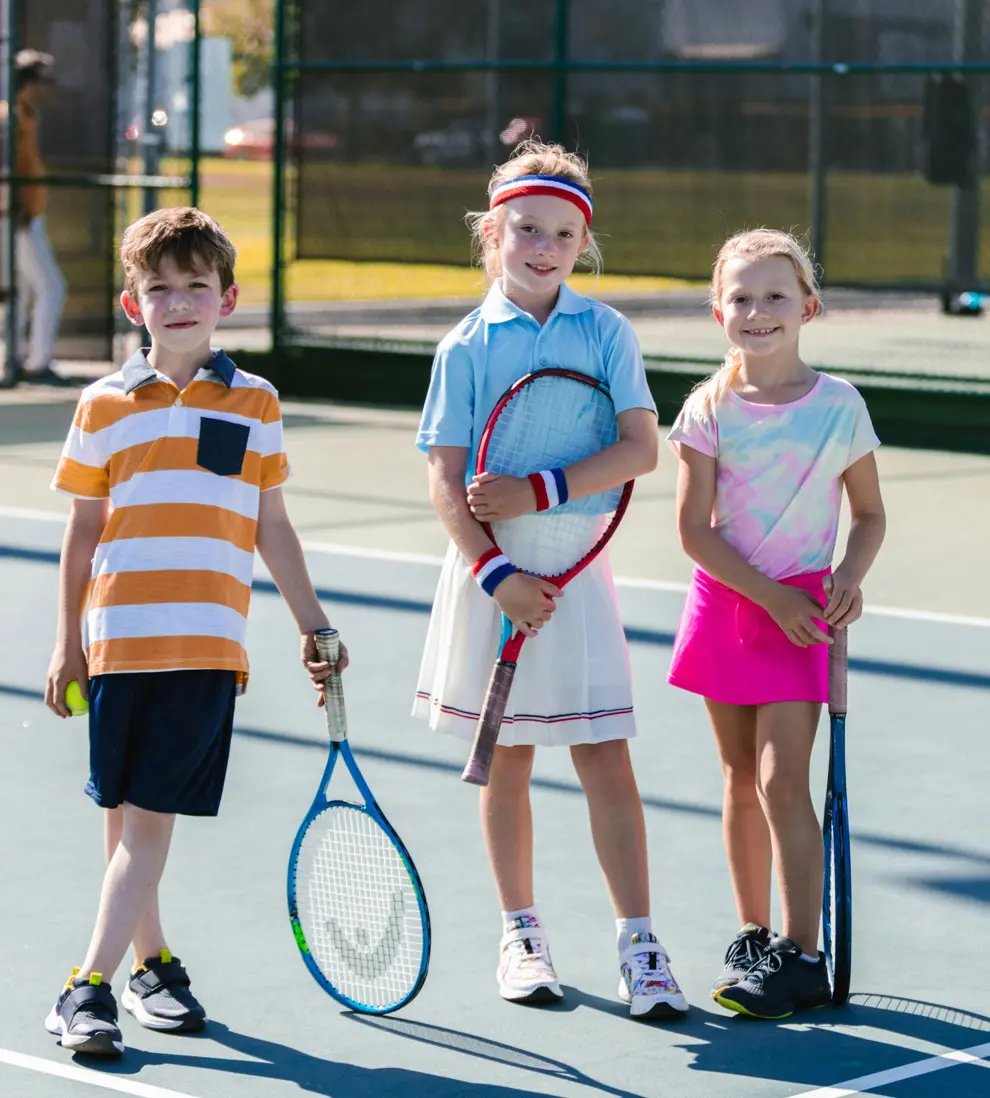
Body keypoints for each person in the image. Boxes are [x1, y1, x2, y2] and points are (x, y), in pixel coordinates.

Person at [43, 206, 345, 1057]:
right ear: (133, 305)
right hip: (116, 642)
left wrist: (314, 623)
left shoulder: (257, 402)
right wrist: (67, 642)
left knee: (146, 823)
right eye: (160, 288)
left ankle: (87, 986)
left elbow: (271, 524)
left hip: (206, 646)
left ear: (228, 299)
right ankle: (149, 968)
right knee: (125, 815)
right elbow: (82, 531)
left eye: (196, 286)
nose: (178, 302)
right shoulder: (101, 405)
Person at [412, 140, 687, 1020]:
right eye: (527, 229)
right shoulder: (464, 347)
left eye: (564, 234)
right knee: (508, 761)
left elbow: (641, 448)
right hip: (492, 579)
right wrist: (496, 574)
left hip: (576, 575)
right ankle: (521, 935)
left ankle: (639, 944)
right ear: (492, 233)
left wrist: (540, 490)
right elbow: (445, 480)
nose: (544, 247)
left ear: (583, 244)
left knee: (605, 754)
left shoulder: (605, 332)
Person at [666, 228, 886, 1019]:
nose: (757, 311)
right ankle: (754, 933)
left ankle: (802, 956)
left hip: (800, 617)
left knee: (779, 780)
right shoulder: (707, 408)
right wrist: (769, 597)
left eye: (775, 296)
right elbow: (693, 531)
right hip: (730, 603)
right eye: (741, 298)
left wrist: (847, 577)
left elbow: (868, 516)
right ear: (717, 311)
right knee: (736, 776)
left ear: (808, 307)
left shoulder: (840, 406)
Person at [11, 49, 69, 385]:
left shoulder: (26, 114)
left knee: (22, 288)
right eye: (45, 81)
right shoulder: (10, 116)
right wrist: (15, 208)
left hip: (28, 214)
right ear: (29, 82)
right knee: (52, 286)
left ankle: (15, 358)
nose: (50, 88)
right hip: (18, 217)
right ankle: (37, 362)